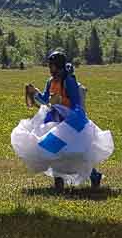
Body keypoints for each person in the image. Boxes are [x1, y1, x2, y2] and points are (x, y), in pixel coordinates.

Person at [13, 49, 113, 191]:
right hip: (55, 122)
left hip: (71, 124)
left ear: (58, 66)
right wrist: (34, 93)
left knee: (77, 154)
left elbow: (76, 103)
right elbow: (46, 100)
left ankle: (94, 176)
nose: (50, 69)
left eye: (52, 66)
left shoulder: (69, 81)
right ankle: (58, 182)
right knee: (52, 151)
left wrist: (61, 101)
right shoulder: (51, 82)